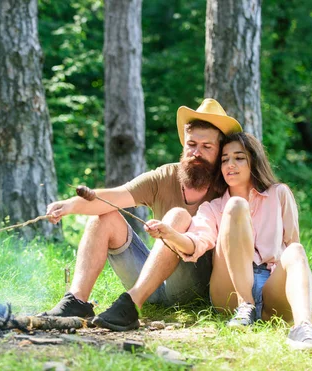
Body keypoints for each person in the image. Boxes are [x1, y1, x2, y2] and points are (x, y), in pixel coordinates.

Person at [40, 98, 242, 332]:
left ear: (219, 153)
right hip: (152, 282)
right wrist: (70, 205)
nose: (196, 152)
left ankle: (131, 303)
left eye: (207, 147)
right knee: (104, 215)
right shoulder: (165, 176)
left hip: (194, 285)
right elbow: (113, 196)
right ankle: (76, 302)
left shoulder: (227, 186)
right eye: (191, 144)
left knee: (177, 216)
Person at [144, 132, 312, 351]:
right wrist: (171, 234)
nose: (230, 164)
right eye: (225, 159)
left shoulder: (279, 194)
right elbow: (196, 242)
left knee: (296, 249)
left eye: (238, 158)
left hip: (270, 286)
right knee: (236, 205)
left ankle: (303, 329)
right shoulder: (213, 207)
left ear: (253, 161)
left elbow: (292, 249)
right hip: (228, 290)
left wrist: (303, 296)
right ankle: (245, 306)